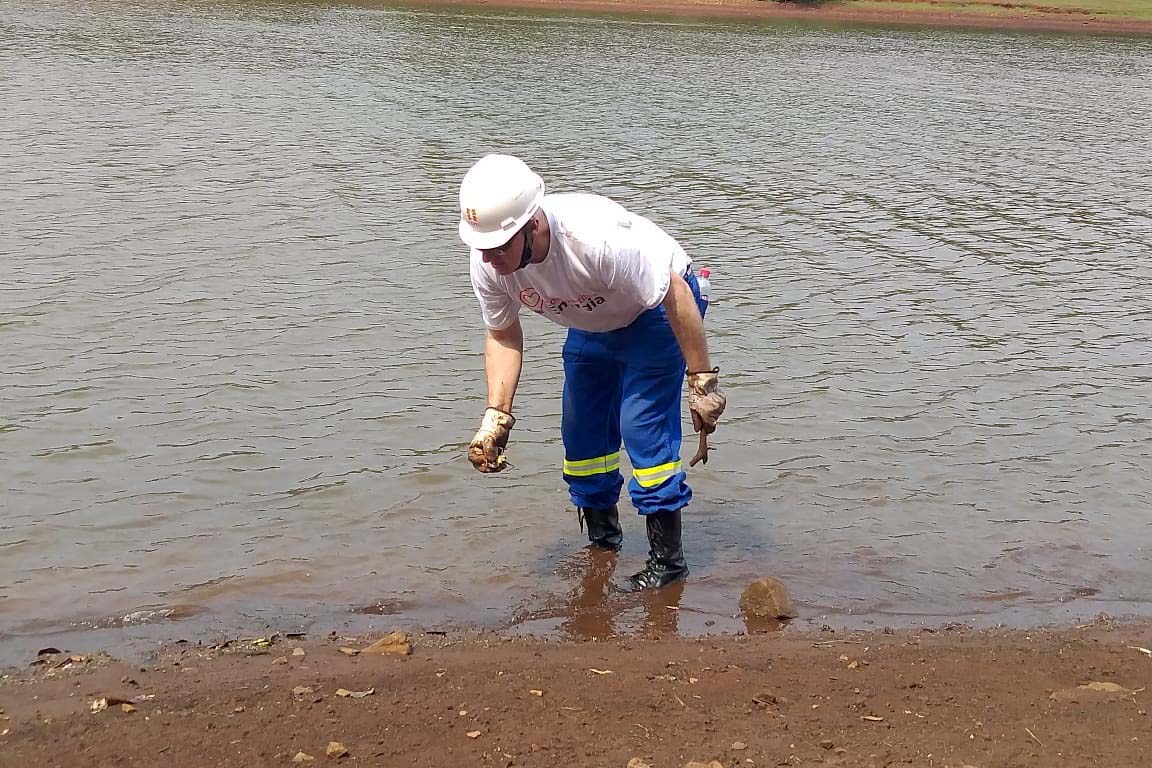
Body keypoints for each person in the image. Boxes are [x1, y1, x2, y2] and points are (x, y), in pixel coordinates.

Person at [459, 153, 726, 590]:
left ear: (533, 226)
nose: (489, 258)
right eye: (482, 247)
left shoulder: (595, 241)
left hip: (657, 311)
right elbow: (503, 334)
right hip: (593, 319)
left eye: (500, 246)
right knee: (582, 433)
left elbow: (676, 294)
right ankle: (603, 545)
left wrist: (701, 382)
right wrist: (496, 417)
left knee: (641, 426)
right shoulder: (489, 261)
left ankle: (667, 563)